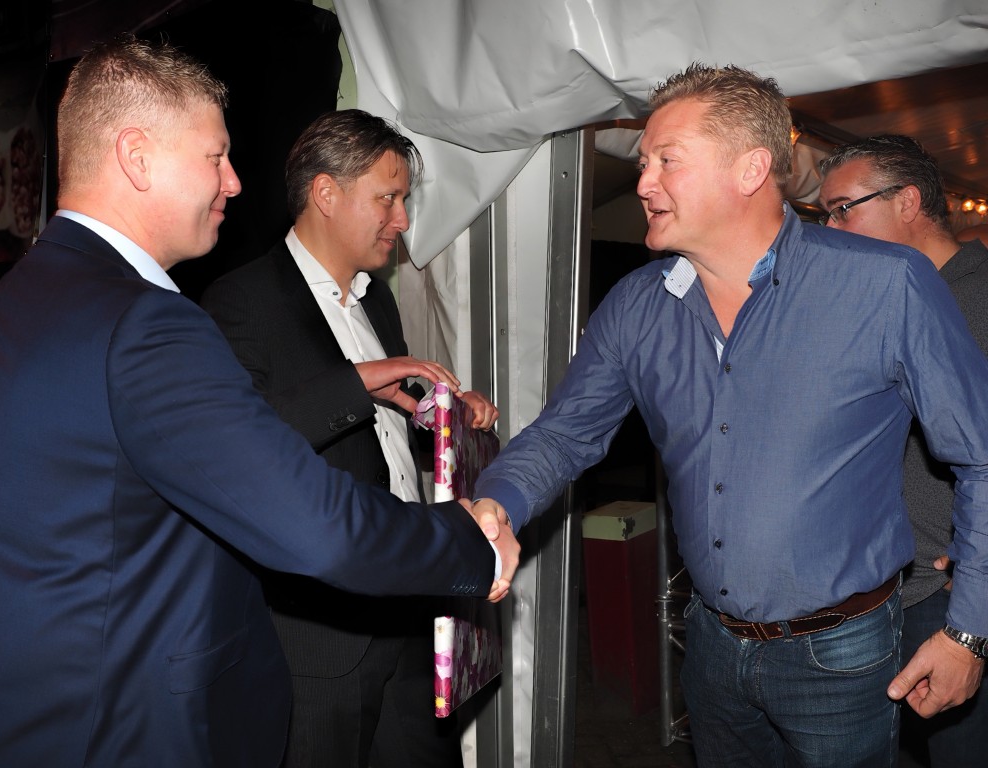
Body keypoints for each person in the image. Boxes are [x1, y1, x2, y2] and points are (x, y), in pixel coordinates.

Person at [0, 36, 518, 768]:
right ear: (137, 157)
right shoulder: (146, 323)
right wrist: (467, 542)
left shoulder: (2, 306)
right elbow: (314, 523)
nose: (233, 182)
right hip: (131, 727)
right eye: (215, 157)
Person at [471, 62, 988, 767]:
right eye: (644, 162)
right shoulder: (636, 306)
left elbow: (980, 457)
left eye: (667, 160)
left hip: (844, 653)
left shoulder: (885, 285)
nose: (644, 182)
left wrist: (967, 634)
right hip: (711, 645)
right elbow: (566, 433)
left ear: (751, 169)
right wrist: (499, 501)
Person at [199, 109, 498, 768]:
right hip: (320, 637)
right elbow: (233, 453)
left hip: (408, 603)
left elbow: (387, 426)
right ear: (326, 193)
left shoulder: (375, 299)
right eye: (387, 199)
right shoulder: (240, 300)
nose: (403, 220)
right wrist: (355, 383)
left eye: (404, 201)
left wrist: (444, 417)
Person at [818, 134, 988, 766]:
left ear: (908, 201)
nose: (830, 229)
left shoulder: (977, 296)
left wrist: (975, 585)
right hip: (877, 589)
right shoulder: (875, 301)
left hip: (946, 599)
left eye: (842, 209)